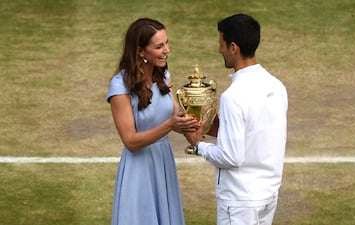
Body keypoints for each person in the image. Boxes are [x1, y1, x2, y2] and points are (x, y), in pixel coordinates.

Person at [184, 14, 288, 225]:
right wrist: (219, 130)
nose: (219, 49)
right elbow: (256, 131)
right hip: (268, 194)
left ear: (234, 47)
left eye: (221, 44)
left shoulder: (233, 97)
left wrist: (198, 145)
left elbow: (231, 157)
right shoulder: (277, 86)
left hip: (240, 200)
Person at [106, 18, 198, 225]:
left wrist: (199, 116)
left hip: (163, 161)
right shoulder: (120, 86)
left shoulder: (164, 76)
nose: (167, 50)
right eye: (159, 46)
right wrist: (169, 126)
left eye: (166, 43)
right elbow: (130, 141)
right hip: (138, 167)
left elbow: (177, 113)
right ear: (140, 51)